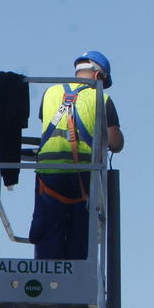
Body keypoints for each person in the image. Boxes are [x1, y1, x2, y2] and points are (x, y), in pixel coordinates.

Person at [29, 50, 124, 261]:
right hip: (83, 176)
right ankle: (76, 280)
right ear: (99, 76)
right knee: (80, 238)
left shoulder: (50, 93)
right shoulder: (102, 97)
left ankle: (47, 280)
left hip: (49, 175)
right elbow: (116, 142)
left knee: (48, 236)